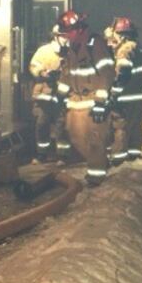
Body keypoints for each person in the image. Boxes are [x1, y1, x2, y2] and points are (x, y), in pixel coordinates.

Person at [55, 10, 115, 185]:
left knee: (95, 141)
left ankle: (97, 177)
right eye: (66, 32)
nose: (68, 36)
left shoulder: (95, 44)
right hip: (75, 103)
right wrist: (60, 94)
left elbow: (107, 72)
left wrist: (101, 102)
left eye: (70, 31)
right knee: (76, 139)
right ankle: (101, 162)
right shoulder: (71, 49)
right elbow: (67, 74)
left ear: (80, 29)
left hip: (93, 101)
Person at [108, 17, 142, 164]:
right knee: (136, 124)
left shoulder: (125, 49)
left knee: (121, 125)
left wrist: (114, 92)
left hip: (126, 95)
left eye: (116, 35)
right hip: (139, 94)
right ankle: (134, 153)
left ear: (122, 35)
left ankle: (117, 159)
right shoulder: (139, 47)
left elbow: (123, 73)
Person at [28, 25, 70, 164]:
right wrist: (42, 73)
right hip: (44, 94)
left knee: (61, 126)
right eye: (64, 36)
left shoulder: (70, 53)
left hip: (61, 96)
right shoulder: (43, 51)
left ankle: (62, 156)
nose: (66, 39)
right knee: (42, 125)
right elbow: (33, 66)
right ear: (56, 36)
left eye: (68, 36)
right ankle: (42, 154)